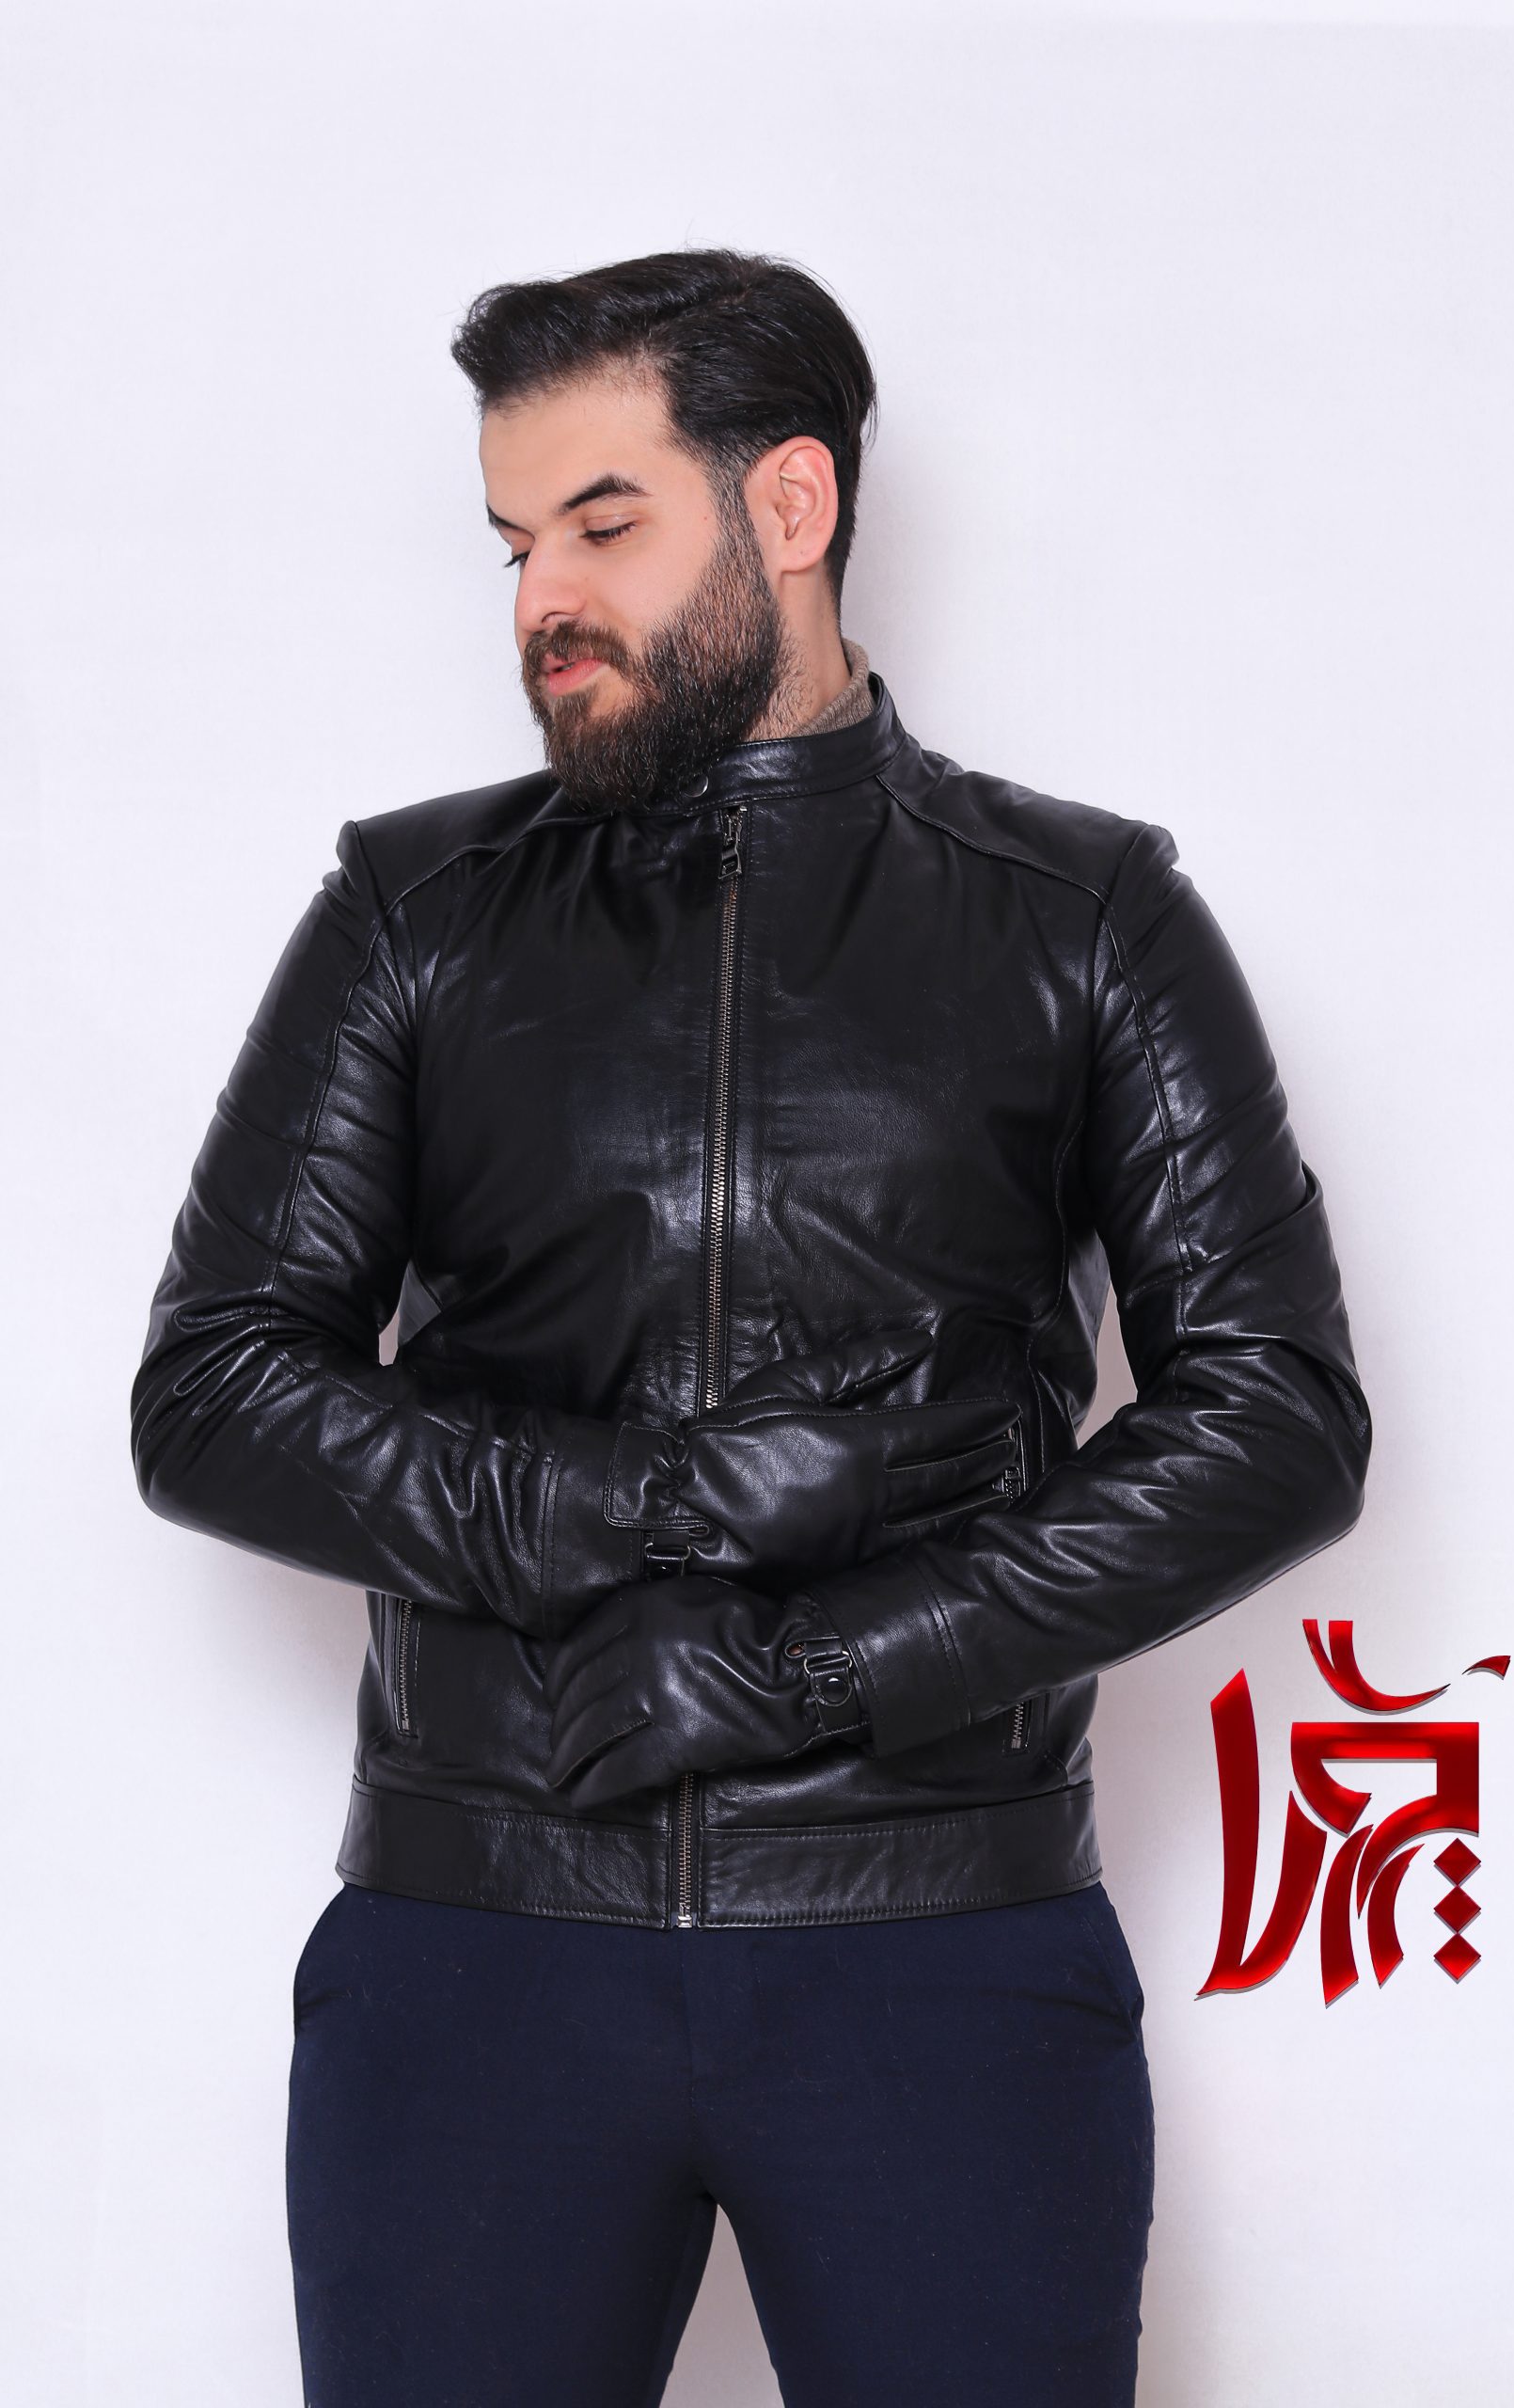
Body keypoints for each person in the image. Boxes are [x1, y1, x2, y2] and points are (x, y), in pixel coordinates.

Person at [130, 247, 1372, 2408]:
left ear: (788, 504)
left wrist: (816, 1664)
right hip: (481, 1946)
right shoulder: (413, 912)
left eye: (601, 522)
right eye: (515, 542)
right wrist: (662, 1500)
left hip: (937, 1944)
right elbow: (213, 1386)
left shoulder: (1084, 916)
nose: (542, 599)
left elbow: (1273, 1415)